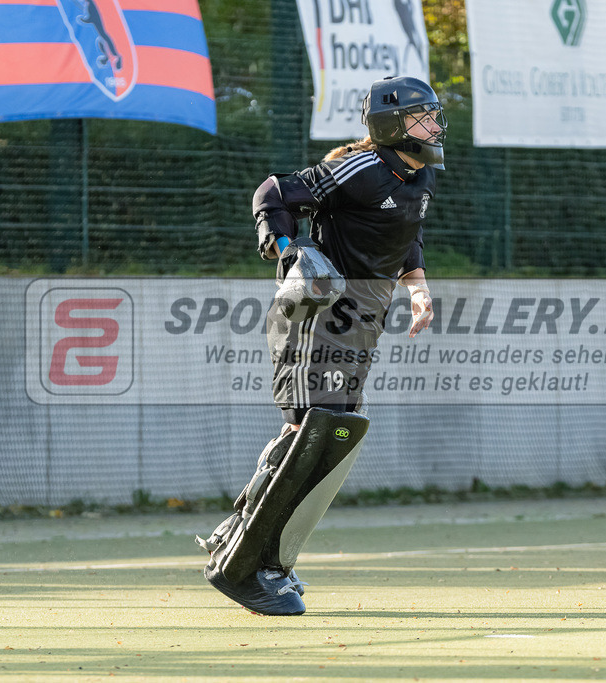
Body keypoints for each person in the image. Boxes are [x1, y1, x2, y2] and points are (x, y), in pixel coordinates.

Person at [196, 76, 446, 615]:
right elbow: (273, 193)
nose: (433, 125)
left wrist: (418, 288)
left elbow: (407, 234)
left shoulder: (420, 176)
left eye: (433, 115)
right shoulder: (362, 168)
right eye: (422, 116)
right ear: (392, 125)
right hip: (318, 315)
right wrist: (289, 250)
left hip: (363, 319)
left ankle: (255, 551)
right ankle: (245, 567)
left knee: (329, 433)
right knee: (315, 431)